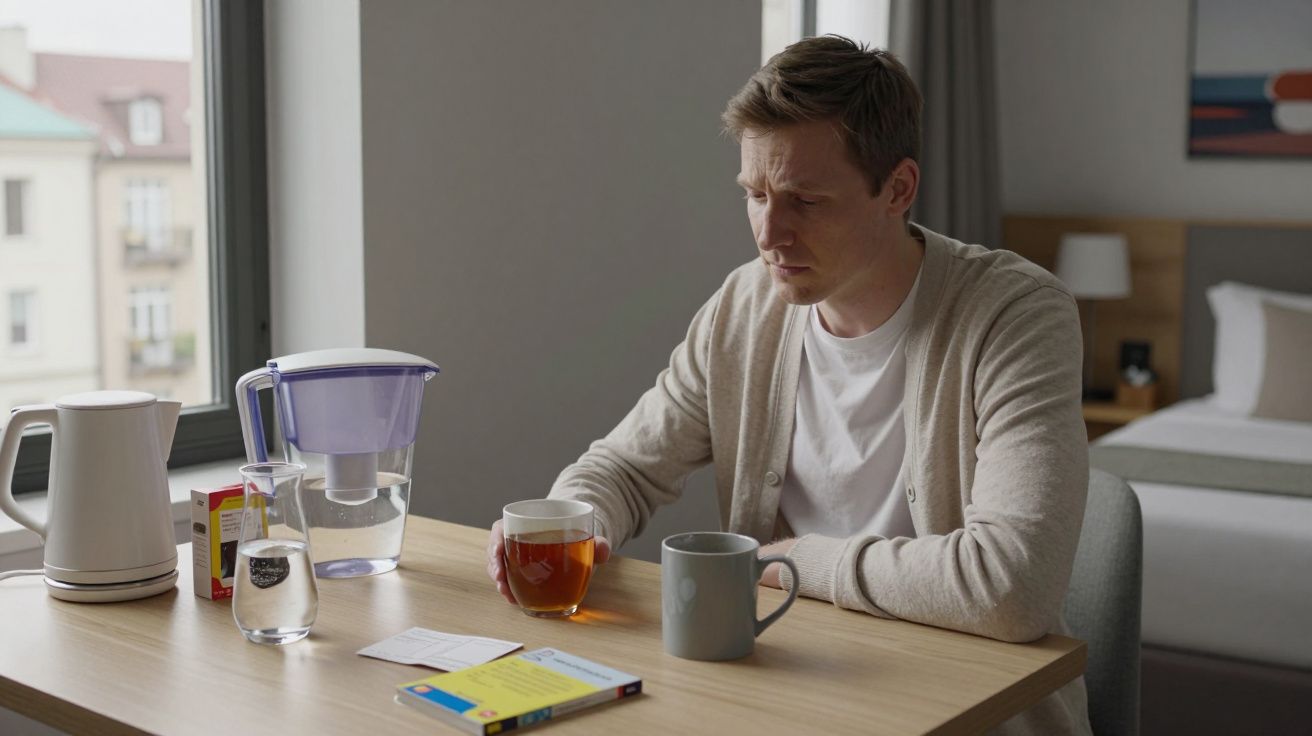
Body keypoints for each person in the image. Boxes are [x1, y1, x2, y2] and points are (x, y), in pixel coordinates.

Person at [486, 35, 1091, 735]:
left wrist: (800, 564)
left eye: (805, 200)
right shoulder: (745, 308)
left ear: (898, 189)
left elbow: (1012, 589)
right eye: (755, 194)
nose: (769, 233)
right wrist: (576, 524)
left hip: (968, 714)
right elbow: (622, 467)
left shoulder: (1014, 316)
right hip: (784, 704)